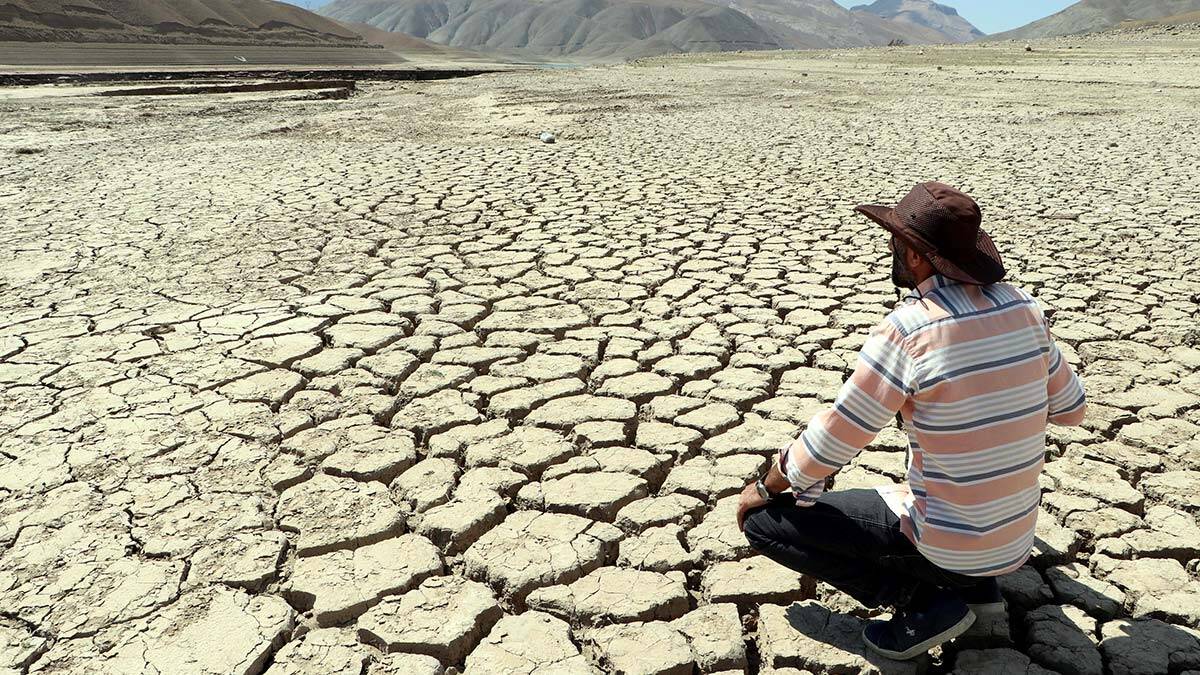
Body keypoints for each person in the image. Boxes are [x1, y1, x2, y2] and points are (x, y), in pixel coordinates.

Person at [739, 182, 1087, 661]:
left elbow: (838, 435)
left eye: (897, 242)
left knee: (765, 525)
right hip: (1013, 543)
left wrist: (768, 483)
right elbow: (1072, 409)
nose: (891, 251)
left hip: (946, 544)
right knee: (953, 490)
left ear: (918, 257)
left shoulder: (911, 329)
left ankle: (922, 604)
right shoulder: (1025, 308)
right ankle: (979, 595)